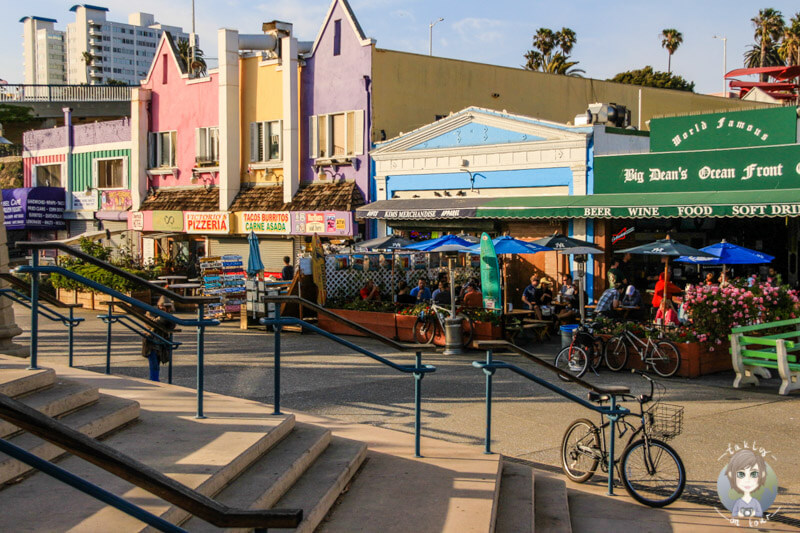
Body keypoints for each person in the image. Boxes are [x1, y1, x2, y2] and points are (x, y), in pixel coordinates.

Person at [141, 296, 176, 382]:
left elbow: (172, 326)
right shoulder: (151, 312)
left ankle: (155, 380)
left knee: (157, 362)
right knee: (154, 364)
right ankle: (154, 380)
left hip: (162, 342)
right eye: (164, 306)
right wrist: (164, 315)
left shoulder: (168, 316)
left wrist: (168, 314)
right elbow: (153, 323)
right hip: (151, 342)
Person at [725, 449, 768, 518]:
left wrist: (753, 513)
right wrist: (739, 514)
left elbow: (759, 513)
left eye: (754, 474)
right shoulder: (739, 502)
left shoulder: (755, 502)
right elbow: (734, 513)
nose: (747, 480)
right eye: (741, 474)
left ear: (762, 474)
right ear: (731, 475)